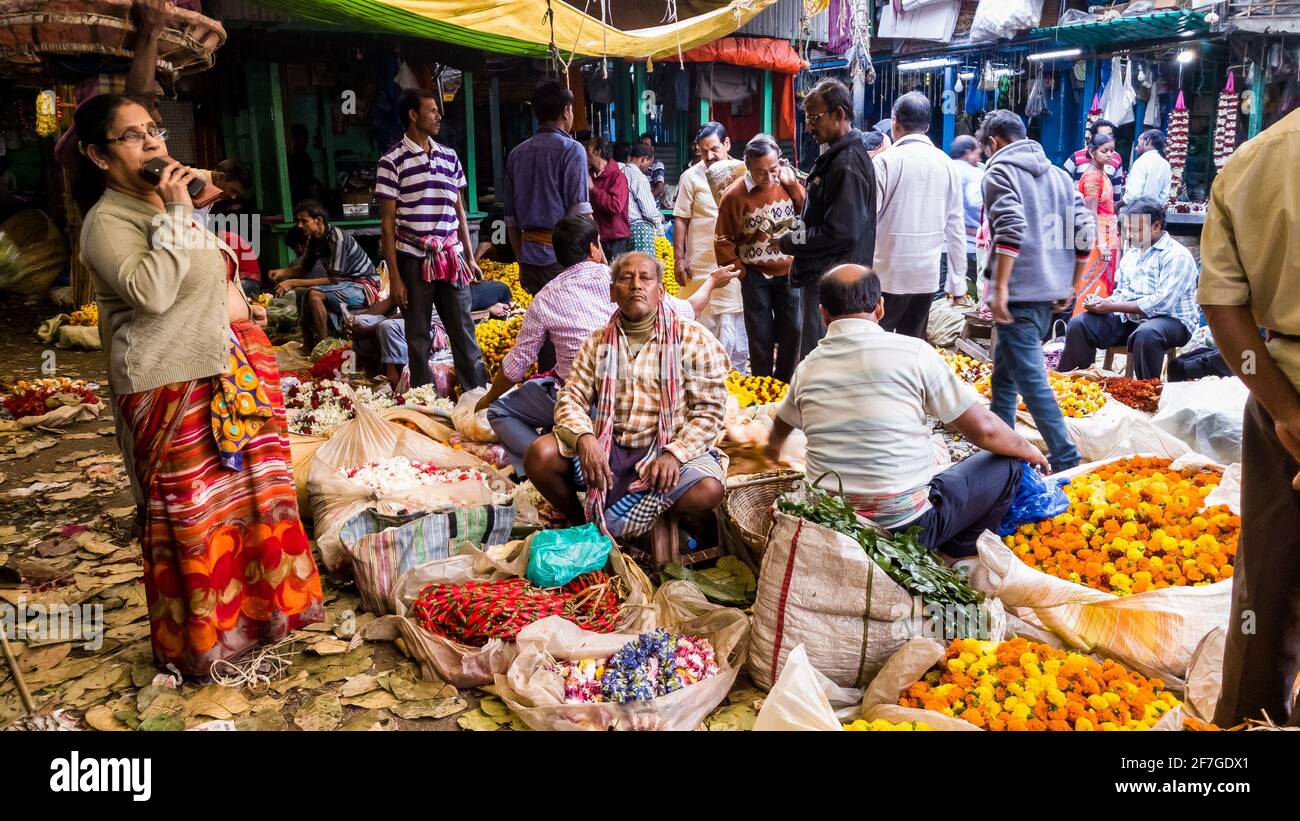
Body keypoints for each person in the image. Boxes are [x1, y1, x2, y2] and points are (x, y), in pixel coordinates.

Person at [72, 94, 324, 675]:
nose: (153, 142)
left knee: (252, 507)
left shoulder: (170, 207)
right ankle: (207, 646)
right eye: (132, 136)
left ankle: (260, 622)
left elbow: (201, 277)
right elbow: (154, 293)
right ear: (97, 156)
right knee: (195, 522)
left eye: (153, 130)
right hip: (169, 382)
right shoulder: (107, 223)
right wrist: (178, 211)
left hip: (225, 371)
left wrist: (239, 311)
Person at [766, 266, 1049, 555]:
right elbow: (985, 430)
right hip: (909, 528)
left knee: (939, 465)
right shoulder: (914, 352)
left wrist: (770, 455)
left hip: (834, 523)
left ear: (823, 314)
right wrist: (1028, 449)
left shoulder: (807, 368)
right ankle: (960, 550)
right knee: (1009, 464)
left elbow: (779, 427)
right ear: (880, 307)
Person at [477, 215, 737, 476]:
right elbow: (689, 309)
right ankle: (561, 461)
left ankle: (551, 467)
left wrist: (488, 399)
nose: (635, 285)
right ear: (594, 247)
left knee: (501, 410)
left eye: (643, 279)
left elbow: (517, 364)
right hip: (597, 399)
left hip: (604, 400)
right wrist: (712, 282)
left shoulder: (548, 296)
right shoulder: (623, 294)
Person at [1197, 107, 1300, 728]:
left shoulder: (1255, 159)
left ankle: (1243, 725)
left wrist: (1286, 414)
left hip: (1281, 390)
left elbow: (1223, 305)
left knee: (1265, 579)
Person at [525, 250, 729, 537]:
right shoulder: (597, 343)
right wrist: (584, 439)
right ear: (612, 292)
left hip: (670, 445)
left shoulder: (692, 338)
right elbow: (571, 397)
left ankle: (650, 515)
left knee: (709, 489)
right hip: (613, 448)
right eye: (626, 278)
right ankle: (583, 523)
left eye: (645, 278)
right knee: (540, 455)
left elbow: (709, 412)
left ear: (661, 291)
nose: (636, 285)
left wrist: (675, 455)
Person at [978, 109, 1094, 473]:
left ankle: (1065, 458)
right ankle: (1000, 447)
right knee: (1005, 374)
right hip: (1049, 295)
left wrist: (999, 289)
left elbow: (1010, 228)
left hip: (1019, 296)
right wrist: (1071, 286)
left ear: (993, 141)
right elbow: (1084, 235)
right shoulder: (1061, 176)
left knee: (1031, 381)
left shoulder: (999, 171)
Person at [376, 88, 488, 393]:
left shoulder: (449, 157)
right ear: (413, 115)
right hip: (412, 259)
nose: (438, 116)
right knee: (418, 335)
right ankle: (426, 401)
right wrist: (396, 278)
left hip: (451, 258)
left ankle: (475, 396)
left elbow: (459, 212)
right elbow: (387, 226)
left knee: (463, 331)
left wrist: (470, 258)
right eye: (432, 110)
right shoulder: (391, 162)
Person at [778, 78, 876, 361]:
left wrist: (789, 242)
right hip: (825, 274)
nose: (809, 126)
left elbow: (840, 231)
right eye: (807, 118)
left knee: (821, 356)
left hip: (833, 279)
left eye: (814, 118)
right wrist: (793, 234)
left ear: (839, 114)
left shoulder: (846, 164)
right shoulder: (834, 158)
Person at [1056, 198, 1198, 379]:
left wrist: (1112, 307)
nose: (1130, 235)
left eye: (1136, 230)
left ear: (1156, 226)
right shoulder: (1132, 253)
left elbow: (1162, 303)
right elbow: (1122, 292)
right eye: (1128, 229)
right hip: (1131, 320)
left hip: (1171, 322)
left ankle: (1146, 392)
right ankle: (1077, 384)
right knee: (1080, 324)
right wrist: (1103, 302)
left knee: (1148, 334)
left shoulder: (1177, 255)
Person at [871, 92, 967, 338]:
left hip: (886, 275)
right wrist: (957, 281)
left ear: (895, 122)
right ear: (927, 126)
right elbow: (956, 228)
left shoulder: (884, 162)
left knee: (877, 342)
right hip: (926, 276)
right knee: (913, 345)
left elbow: (867, 221)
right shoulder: (947, 164)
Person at [714, 134, 806, 382]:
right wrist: (742, 272)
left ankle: (784, 385)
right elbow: (723, 239)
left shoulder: (787, 183)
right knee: (760, 334)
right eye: (760, 172)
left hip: (788, 271)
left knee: (793, 330)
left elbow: (806, 210)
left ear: (780, 163)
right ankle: (763, 385)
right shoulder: (734, 197)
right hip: (755, 275)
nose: (768, 177)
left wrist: (793, 185)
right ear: (748, 167)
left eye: (773, 169)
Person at [504, 80, 592, 295]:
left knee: (541, 322)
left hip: (530, 259)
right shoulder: (572, 149)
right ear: (566, 111)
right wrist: (598, 258)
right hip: (562, 260)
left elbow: (511, 220)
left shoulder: (517, 154)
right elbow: (580, 213)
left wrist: (522, 261)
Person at [673, 122, 747, 368]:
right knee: (702, 321)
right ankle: (702, 369)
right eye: (703, 151)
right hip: (700, 262)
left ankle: (732, 374)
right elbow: (681, 219)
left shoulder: (742, 174)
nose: (709, 156)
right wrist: (679, 258)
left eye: (714, 149)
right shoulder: (691, 176)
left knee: (731, 321)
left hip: (733, 262)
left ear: (726, 144)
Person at [349, 280, 510, 388]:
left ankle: (399, 385)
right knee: (366, 322)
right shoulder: (405, 275)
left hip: (445, 302)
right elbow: (397, 305)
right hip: (427, 310)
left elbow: (414, 314)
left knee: (386, 327)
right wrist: (355, 320)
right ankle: (365, 374)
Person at [269, 198, 380, 352]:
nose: (300, 225)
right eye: (298, 221)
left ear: (318, 220)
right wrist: (284, 273)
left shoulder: (337, 239)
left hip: (363, 286)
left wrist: (293, 282)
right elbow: (304, 268)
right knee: (301, 293)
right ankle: (308, 346)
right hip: (344, 284)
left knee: (314, 295)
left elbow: (334, 279)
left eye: (304, 221)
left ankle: (323, 347)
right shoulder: (315, 240)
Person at [1073, 131, 1121, 316]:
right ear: (1092, 152)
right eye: (1104, 151)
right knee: (1090, 281)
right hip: (1096, 236)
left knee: (1100, 282)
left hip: (1106, 232)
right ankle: (1081, 321)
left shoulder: (1101, 173)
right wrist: (1101, 243)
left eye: (1112, 151)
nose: (1109, 155)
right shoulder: (1093, 176)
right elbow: (1090, 212)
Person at [584, 134, 633, 261]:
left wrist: (593, 189)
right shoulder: (590, 175)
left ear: (598, 152)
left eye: (588, 150)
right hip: (596, 238)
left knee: (614, 276)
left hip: (616, 239)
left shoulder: (617, 177)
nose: (585, 154)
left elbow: (615, 206)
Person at [949, 135, 984, 298]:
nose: (979, 157)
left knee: (943, 297)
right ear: (968, 152)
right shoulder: (974, 173)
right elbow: (976, 200)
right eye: (977, 153)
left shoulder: (945, 168)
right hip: (970, 246)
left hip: (943, 244)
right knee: (975, 293)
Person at [622, 144, 663, 255]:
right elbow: (649, 212)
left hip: (624, 230)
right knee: (644, 268)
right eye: (648, 163)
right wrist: (660, 230)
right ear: (643, 159)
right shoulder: (639, 177)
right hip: (641, 232)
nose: (648, 167)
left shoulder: (622, 172)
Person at [1064, 117, 1123, 192]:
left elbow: (1116, 189)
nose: (1107, 139)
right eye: (1102, 136)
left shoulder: (1116, 158)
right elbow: (1063, 178)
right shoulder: (1077, 156)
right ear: (1092, 137)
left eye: (1110, 135)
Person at [1122, 129, 1171, 204]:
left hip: (1138, 212)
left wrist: (1122, 204)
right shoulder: (1165, 164)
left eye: (1139, 142)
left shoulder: (1141, 162)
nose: (1136, 147)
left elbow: (1133, 194)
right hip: (1155, 211)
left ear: (1147, 140)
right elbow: (1165, 195)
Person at [287, 123, 320, 204]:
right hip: (300, 199)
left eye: (305, 135)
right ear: (294, 138)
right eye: (301, 136)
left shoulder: (303, 155)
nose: (305, 138)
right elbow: (306, 180)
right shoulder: (297, 156)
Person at [638, 132, 667, 204]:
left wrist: (646, 202)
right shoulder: (637, 163)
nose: (643, 146)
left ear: (652, 148)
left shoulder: (657, 164)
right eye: (641, 144)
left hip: (651, 207)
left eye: (646, 144)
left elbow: (659, 189)